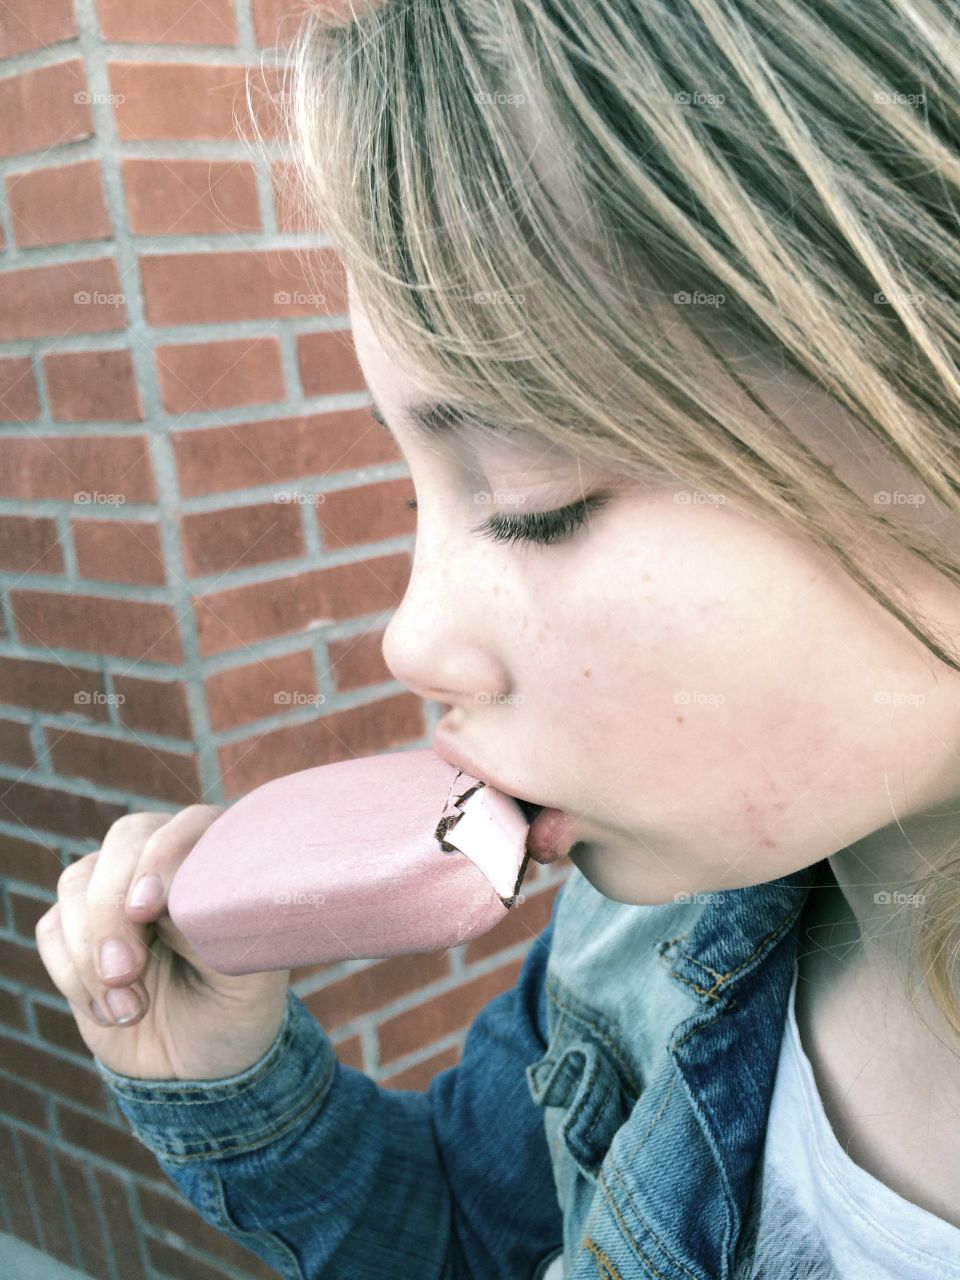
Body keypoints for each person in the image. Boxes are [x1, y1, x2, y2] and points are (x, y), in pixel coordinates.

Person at [35, 2, 960, 1277]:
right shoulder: (628, 946)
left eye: (532, 497)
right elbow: (475, 1233)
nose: (410, 638)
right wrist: (232, 1079)